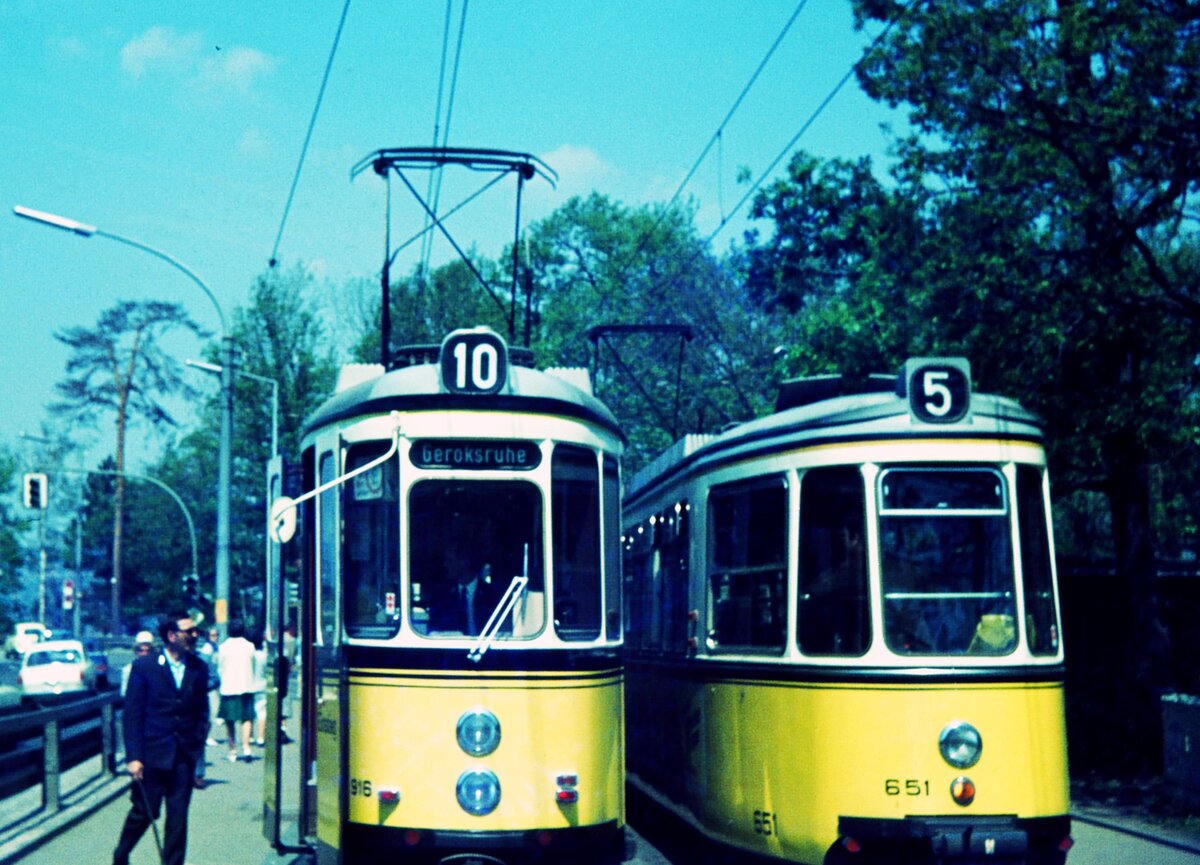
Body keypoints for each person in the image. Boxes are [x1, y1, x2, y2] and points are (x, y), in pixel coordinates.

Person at [112, 612, 209, 865]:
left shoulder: (199, 668)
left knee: (178, 818)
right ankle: (121, 853)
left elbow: (202, 711)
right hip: (151, 755)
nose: (195, 635)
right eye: (189, 631)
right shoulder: (145, 667)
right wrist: (133, 757)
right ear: (171, 635)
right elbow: (133, 714)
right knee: (145, 811)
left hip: (183, 756)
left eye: (196, 631)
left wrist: (197, 745)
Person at [217, 619, 256, 762]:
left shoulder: (223, 647)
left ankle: (232, 750)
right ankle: (246, 747)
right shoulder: (250, 646)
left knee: (229, 721)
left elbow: (220, 667)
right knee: (247, 718)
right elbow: (253, 664)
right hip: (246, 685)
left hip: (228, 687)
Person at [120, 631, 155, 696]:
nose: (145, 654)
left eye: (148, 650)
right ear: (136, 651)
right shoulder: (128, 670)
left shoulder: (159, 669)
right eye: (141, 650)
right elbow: (125, 694)